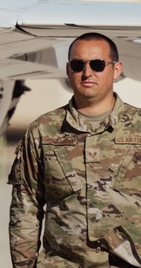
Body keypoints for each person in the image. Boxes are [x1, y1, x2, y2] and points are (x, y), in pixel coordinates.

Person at [8, 32, 141, 267]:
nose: (87, 73)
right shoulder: (44, 130)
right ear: (69, 70)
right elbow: (25, 208)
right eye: (79, 65)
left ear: (117, 69)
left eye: (98, 65)